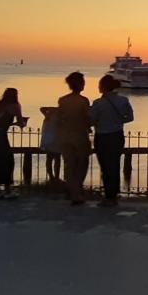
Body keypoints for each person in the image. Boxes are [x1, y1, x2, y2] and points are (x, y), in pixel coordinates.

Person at [89, 75, 133, 207]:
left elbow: (91, 120)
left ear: (103, 87)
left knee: (105, 167)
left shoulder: (98, 103)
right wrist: (117, 121)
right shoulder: (123, 100)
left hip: (102, 136)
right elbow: (130, 117)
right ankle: (113, 194)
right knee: (114, 165)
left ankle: (108, 196)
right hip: (117, 135)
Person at [0, 88, 27, 199]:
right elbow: (21, 123)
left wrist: (10, 123)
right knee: (7, 161)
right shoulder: (16, 106)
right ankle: (7, 190)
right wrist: (21, 123)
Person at [57, 72, 91, 206]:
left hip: (65, 136)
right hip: (80, 136)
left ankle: (73, 192)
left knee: (69, 165)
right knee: (82, 164)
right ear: (80, 84)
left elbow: (60, 118)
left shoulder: (63, 100)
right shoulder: (83, 101)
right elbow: (88, 118)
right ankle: (77, 191)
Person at [39, 107, 62, 183]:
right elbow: (42, 108)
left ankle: (54, 177)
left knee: (54, 158)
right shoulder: (54, 111)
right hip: (52, 138)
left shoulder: (58, 113)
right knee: (53, 158)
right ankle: (53, 177)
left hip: (55, 138)